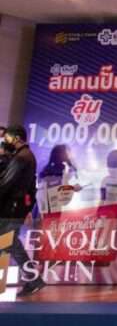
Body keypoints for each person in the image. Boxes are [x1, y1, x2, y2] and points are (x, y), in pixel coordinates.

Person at [0, 125, 46, 297]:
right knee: (10, 243)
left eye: (7, 137)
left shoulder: (21, 158)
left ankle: (34, 280)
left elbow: (6, 184)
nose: (5, 140)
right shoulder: (25, 156)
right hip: (15, 207)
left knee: (10, 243)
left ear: (16, 138)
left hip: (11, 208)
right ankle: (34, 280)